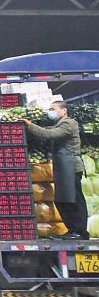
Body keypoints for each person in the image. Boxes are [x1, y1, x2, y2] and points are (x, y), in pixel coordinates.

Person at [22, 101, 89, 240]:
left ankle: (80, 231)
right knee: (62, 200)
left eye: (53, 108)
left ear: (64, 110)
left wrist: (30, 125)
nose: (50, 111)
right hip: (63, 167)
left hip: (71, 167)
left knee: (74, 199)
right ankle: (72, 229)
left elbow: (49, 134)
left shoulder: (69, 124)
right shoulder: (59, 124)